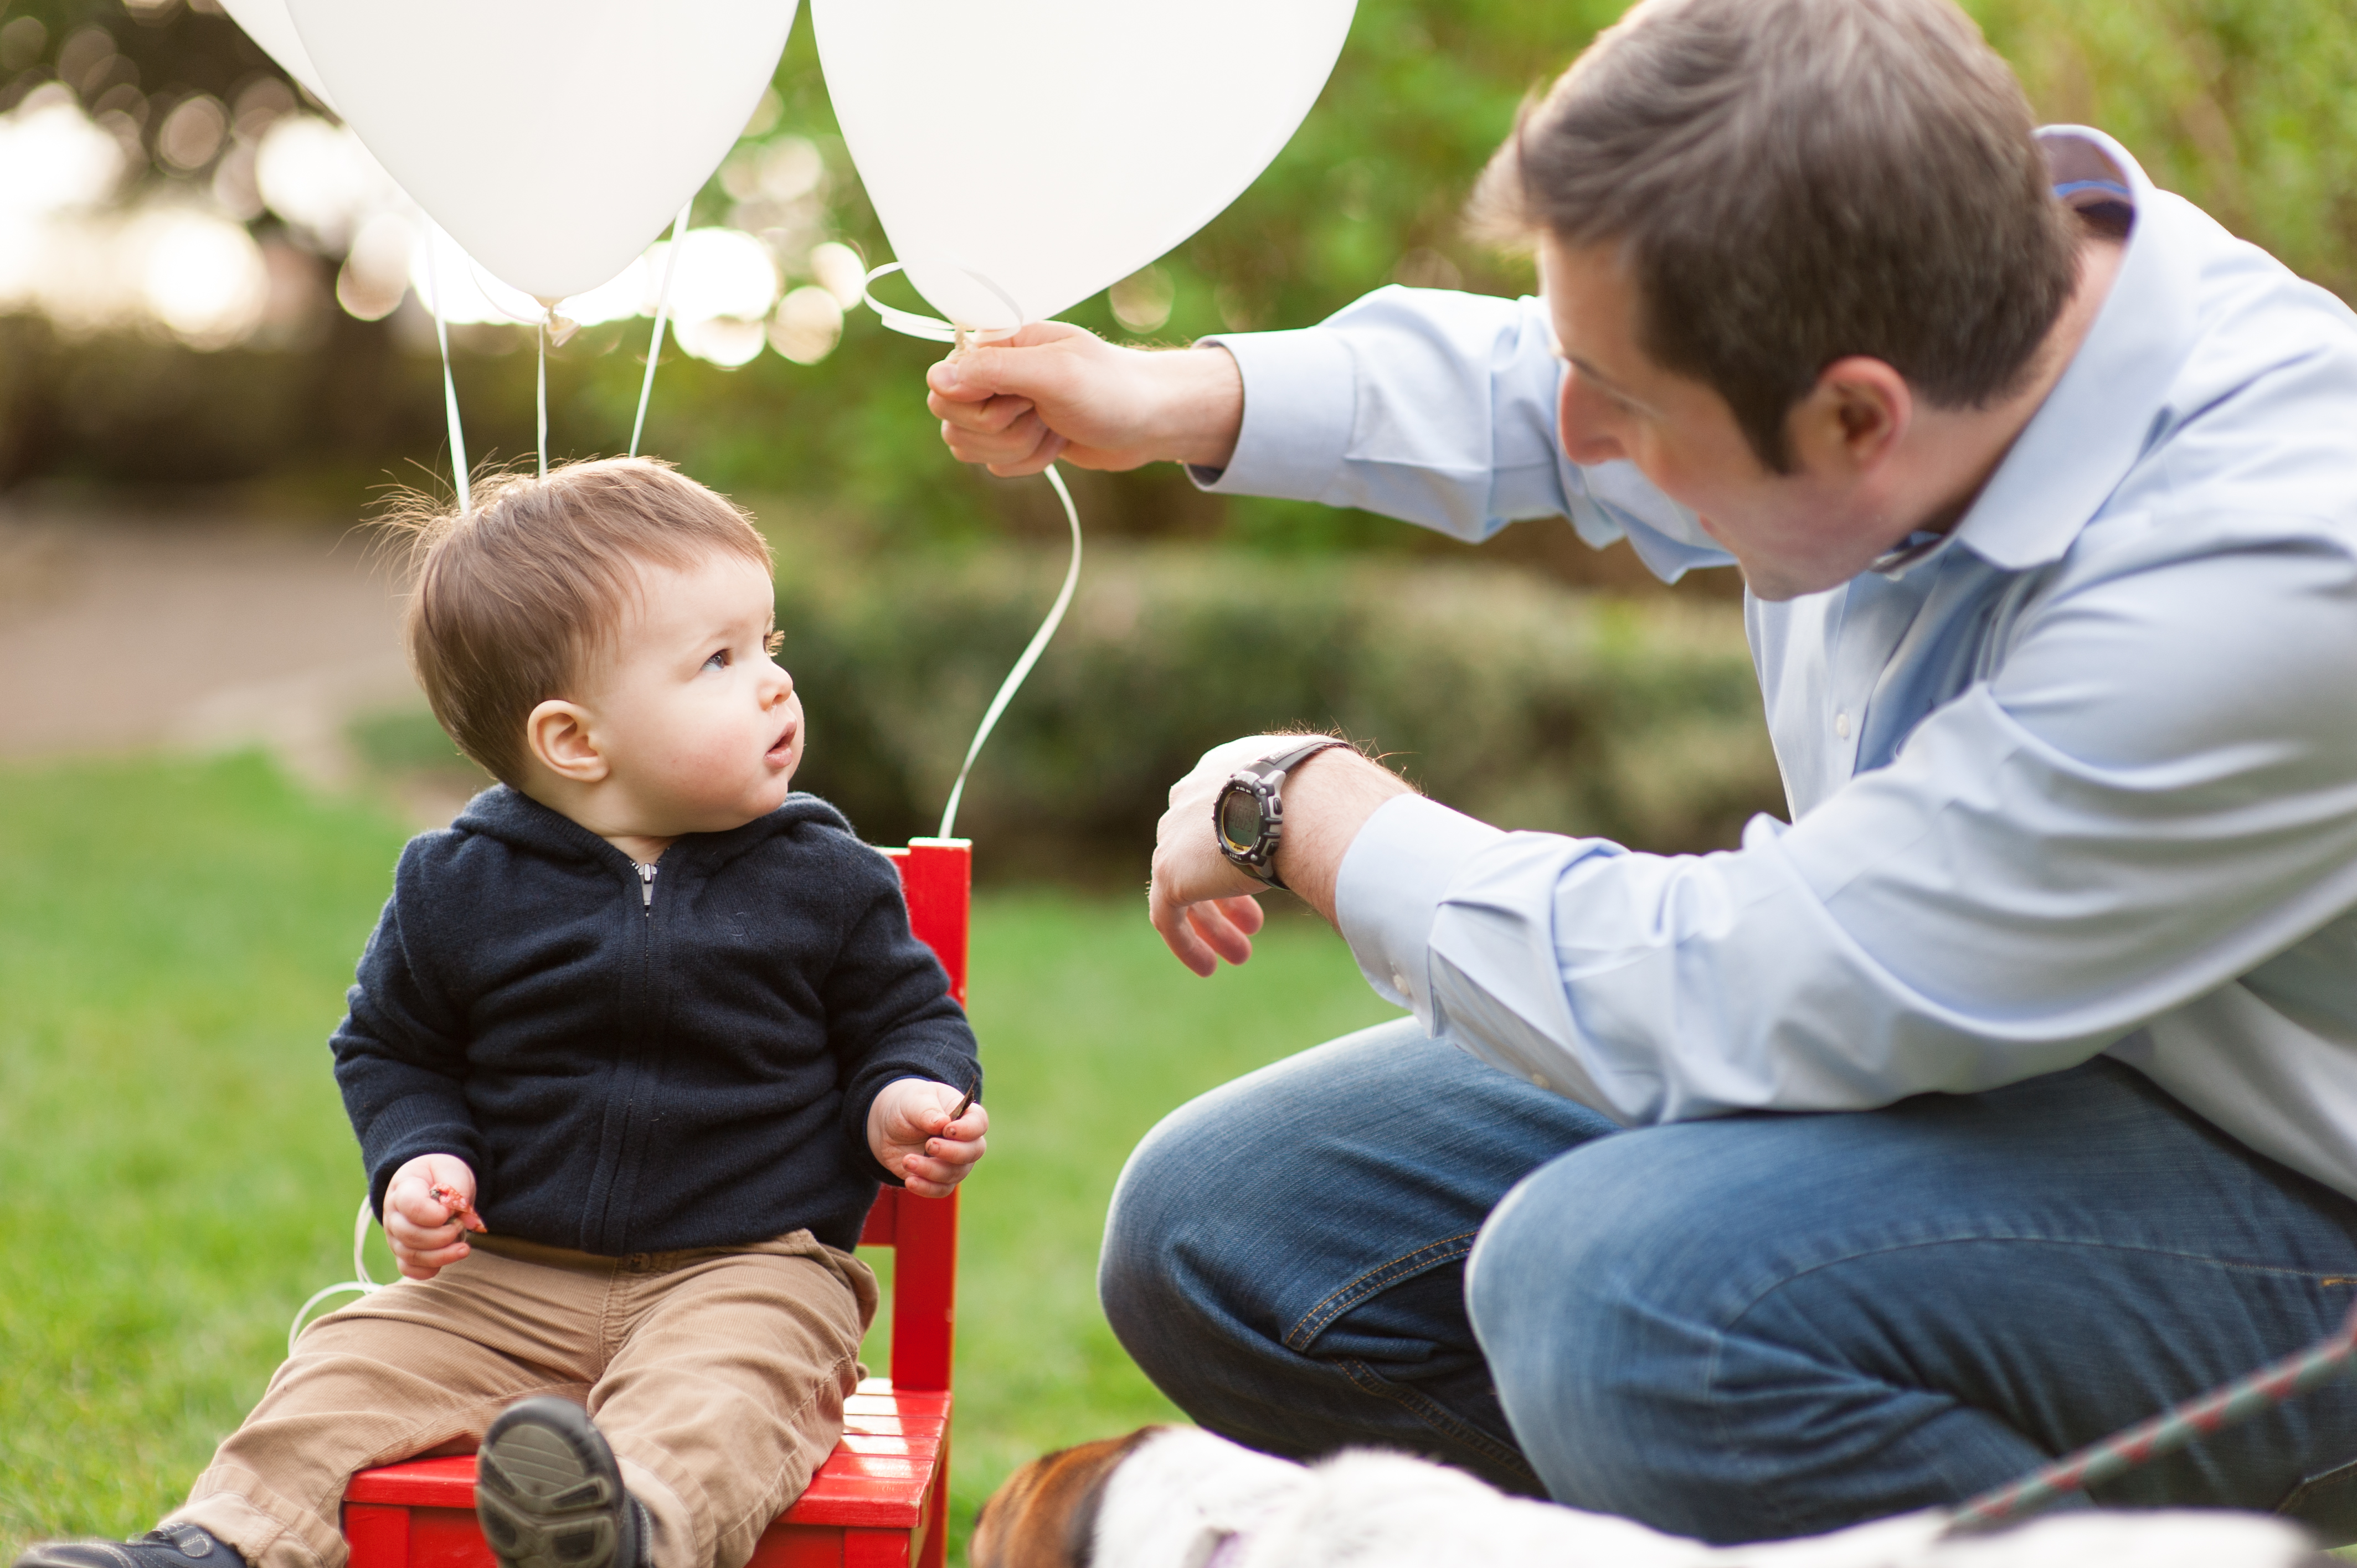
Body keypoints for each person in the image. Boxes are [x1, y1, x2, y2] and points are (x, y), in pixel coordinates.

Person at [927, 0, 2357, 1545]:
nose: (1576, 430)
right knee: (1234, 1226)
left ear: (1856, 415)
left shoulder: (2270, 566)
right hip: (2020, 1047)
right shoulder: (1956, 308)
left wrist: (1308, 807)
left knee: (1628, 1291)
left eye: (1627, 409)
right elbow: (1566, 382)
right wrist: (1189, 397)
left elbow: (1759, 994)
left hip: (2294, 1194)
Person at [17, 458, 987, 1568]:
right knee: (344, 1366)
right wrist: (416, 1157)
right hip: (506, 1278)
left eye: (770, 645)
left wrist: (907, 1095)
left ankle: (625, 1537)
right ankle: (215, 1546)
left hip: (747, 1270)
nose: (773, 684)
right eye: (719, 660)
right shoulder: (461, 886)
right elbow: (392, 1044)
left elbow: (903, 1019)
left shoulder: (825, 876)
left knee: (726, 1396)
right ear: (575, 742)